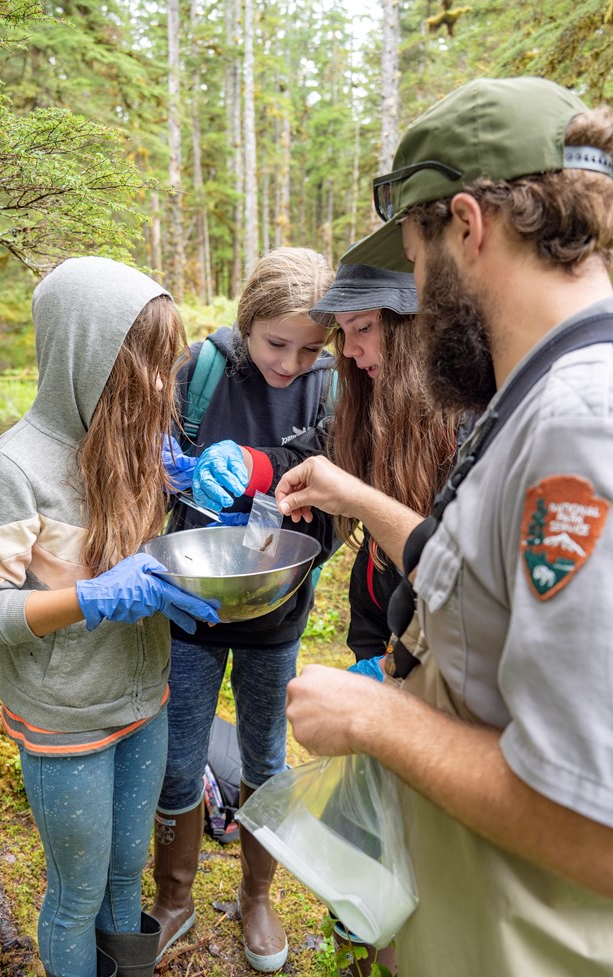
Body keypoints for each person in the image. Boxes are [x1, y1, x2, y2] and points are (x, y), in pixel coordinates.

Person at [274, 77, 613, 977]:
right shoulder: (536, 395)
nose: (417, 293)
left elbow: (597, 827)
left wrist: (378, 718)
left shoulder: (581, 424)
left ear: (468, 224)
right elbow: (483, 583)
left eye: (417, 262)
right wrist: (362, 499)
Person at [184, 260, 466, 976]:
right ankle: (362, 939)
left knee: (429, 831)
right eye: (342, 336)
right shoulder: (368, 401)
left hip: (445, 652)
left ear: (407, 327)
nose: (351, 354)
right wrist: (243, 467)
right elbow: (308, 459)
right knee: (377, 822)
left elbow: (454, 562)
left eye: (360, 332)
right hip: (387, 632)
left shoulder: (463, 419)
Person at [0, 256, 218, 977]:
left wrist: (195, 478)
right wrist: (90, 597)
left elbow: (153, 539)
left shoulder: (133, 444)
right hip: (66, 716)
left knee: (122, 875)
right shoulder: (14, 468)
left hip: (145, 699)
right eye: (148, 367)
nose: (164, 386)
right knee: (77, 893)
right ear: (88, 355)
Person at [151, 246, 337, 972]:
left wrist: (286, 492)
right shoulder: (198, 372)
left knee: (263, 753)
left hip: (278, 614)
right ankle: (173, 896)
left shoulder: (329, 387)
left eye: (310, 347)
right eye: (275, 343)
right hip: (190, 608)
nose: (290, 362)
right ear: (246, 321)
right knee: (179, 755)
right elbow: (147, 472)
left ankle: (257, 897)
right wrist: (166, 466)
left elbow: (334, 514)